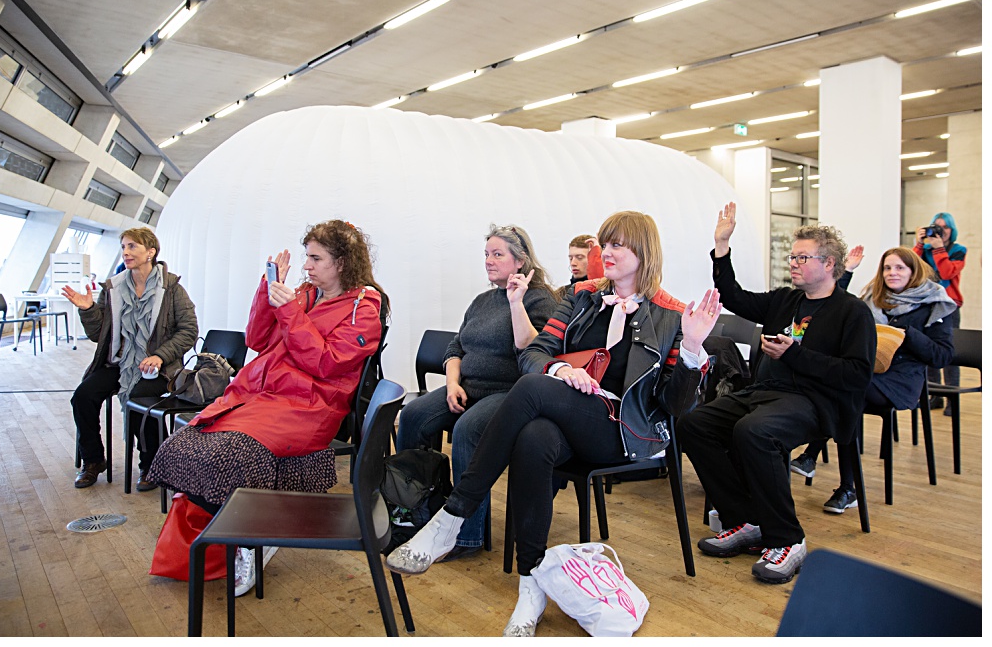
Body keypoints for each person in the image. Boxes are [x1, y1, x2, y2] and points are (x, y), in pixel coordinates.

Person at [386, 210, 717, 636]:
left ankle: (451, 518)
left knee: (530, 389)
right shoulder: (581, 296)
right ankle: (530, 586)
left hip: (624, 432)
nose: (607, 252)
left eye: (618, 244)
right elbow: (536, 351)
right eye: (605, 243)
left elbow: (674, 406)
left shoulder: (672, 314)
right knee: (534, 437)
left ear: (645, 252)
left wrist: (692, 347)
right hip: (571, 417)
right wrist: (562, 371)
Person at [147, 220, 388, 596]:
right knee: (186, 443)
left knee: (227, 456)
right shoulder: (307, 295)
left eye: (315, 258)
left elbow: (326, 364)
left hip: (308, 407)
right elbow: (258, 339)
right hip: (263, 397)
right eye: (306, 257)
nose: (307, 266)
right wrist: (267, 291)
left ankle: (250, 540)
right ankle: (225, 539)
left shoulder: (365, 307)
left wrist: (290, 311)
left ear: (341, 262)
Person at [676, 202, 876, 584]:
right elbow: (732, 295)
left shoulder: (852, 312)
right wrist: (722, 245)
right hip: (767, 392)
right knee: (694, 424)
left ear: (830, 263)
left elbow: (856, 375)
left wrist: (795, 355)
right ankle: (745, 520)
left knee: (755, 431)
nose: (794, 262)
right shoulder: (785, 300)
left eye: (804, 257)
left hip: (817, 403)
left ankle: (788, 538)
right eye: (793, 256)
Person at [395, 224, 558, 561]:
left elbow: (533, 349)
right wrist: (452, 383)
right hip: (467, 386)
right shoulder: (482, 300)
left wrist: (516, 303)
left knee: (469, 429)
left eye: (498, 254)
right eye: (486, 254)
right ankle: (415, 509)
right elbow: (456, 347)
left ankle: (466, 535)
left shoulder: (541, 298)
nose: (488, 261)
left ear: (520, 260)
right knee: (412, 416)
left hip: (511, 393)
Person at [790, 246, 956, 512]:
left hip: (902, 381)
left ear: (913, 271)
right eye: (887, 268)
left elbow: (942, 357)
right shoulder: (872, 298)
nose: (892, 273)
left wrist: (907, 334)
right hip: (869, 372)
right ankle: (843, 484)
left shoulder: (935, 303)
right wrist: (849, 271)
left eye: (900, 267)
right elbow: (833, 305)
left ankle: (817, 459)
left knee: (848, 389)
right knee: (843, 388)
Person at [62, 227, 198, 490]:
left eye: (132, 246)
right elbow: (98, 335)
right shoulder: (112, 288)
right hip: (120, 363)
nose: (125, 252)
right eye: (123, 246)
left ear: (151, 252)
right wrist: (89, 310)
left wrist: (160, 355)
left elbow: (189, 331)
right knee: (83, 396)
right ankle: (93, 461)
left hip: (159, 368)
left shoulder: (171, 289)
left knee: (139, 400)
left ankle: (151, 464)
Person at [913, 212, 965, 415]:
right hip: (926, 305)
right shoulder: (924, 249)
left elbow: (946, 273)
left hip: (950, 305)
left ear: (952, 231)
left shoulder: (959, 250)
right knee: (928, 351)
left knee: (950, 353)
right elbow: (913, 268)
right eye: (936, 226)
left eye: (944, 227)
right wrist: (918, 244)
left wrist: (939, 250)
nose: (939, 231)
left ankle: (952, 399)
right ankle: (934, 396)